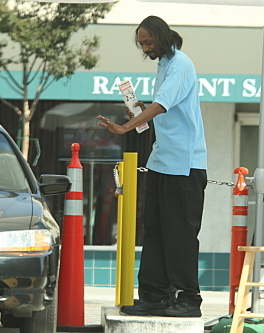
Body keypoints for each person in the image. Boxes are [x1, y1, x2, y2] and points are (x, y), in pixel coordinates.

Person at [97, 15, 207, 318]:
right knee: (155, 231)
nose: (145, 48)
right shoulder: (164, 65)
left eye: (148, 42)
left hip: (184, 165)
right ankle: (154, 296)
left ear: (161, 36)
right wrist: (138, 110)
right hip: (161, 161)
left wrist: (125, 127)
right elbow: (161, 107)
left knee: (180, 234)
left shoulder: (181, 63)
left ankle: (189, 299)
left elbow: (162, 105)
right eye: (142, 44)